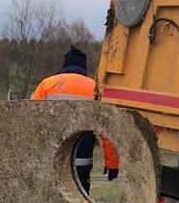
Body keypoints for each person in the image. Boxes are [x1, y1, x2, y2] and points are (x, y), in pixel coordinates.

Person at [30, 45, 119, 194]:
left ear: (65, 64)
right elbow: (106, 130)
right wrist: (112, 163)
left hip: (49, 162)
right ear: (84, 66)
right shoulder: (96, 90)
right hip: (81, 165)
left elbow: (30, 122)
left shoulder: (47, 85)